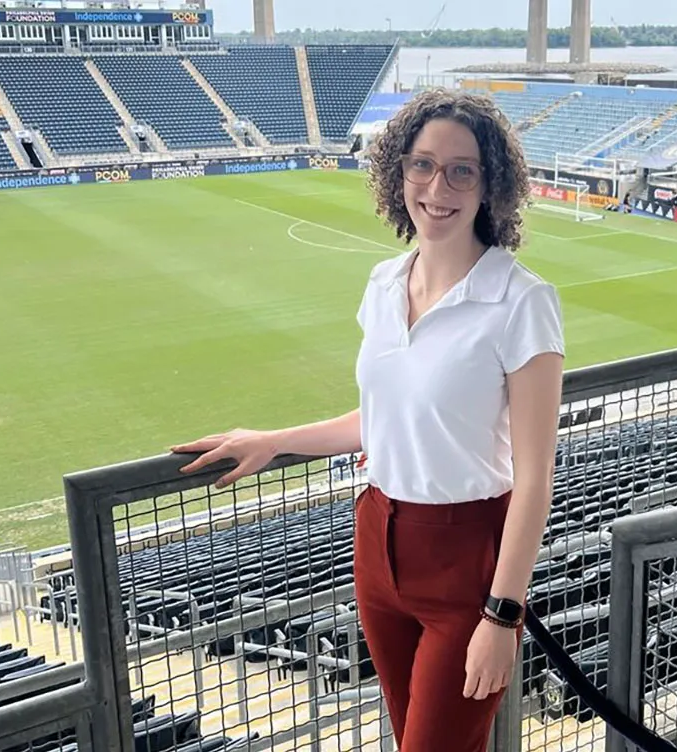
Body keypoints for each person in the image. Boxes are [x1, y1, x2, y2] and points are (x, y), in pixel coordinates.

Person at [171, 88, 565, 752]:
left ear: (489, 184)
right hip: (377, 545)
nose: (437, 187)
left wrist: (503, 615)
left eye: (461, 170)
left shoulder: (522, 302)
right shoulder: (384, 285)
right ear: (397, 172)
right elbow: (385, 415)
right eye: (422, 165)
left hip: (466, 560)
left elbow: (536, 478)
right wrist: (271, 441)